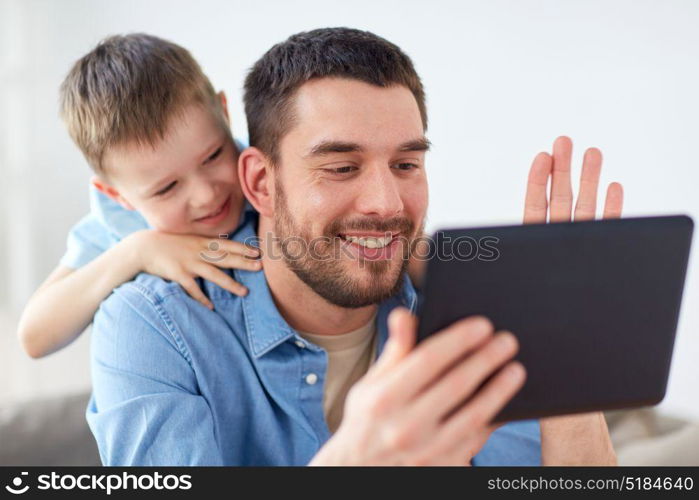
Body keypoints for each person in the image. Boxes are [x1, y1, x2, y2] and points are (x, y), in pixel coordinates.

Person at [88, 27, 619, 466]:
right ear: (260, 183)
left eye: (406, 164)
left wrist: (567, 370)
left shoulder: (468, 313)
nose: (385, 204)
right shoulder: (152, 325)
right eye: (342, 168)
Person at [16, 34, 263, 359]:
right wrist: (138, 251)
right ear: (119, 196)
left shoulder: (264, 167)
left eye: (213, 156)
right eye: (167, 188)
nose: (205, 195)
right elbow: (35, 336)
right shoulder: (121, 224)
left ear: (224, 113)